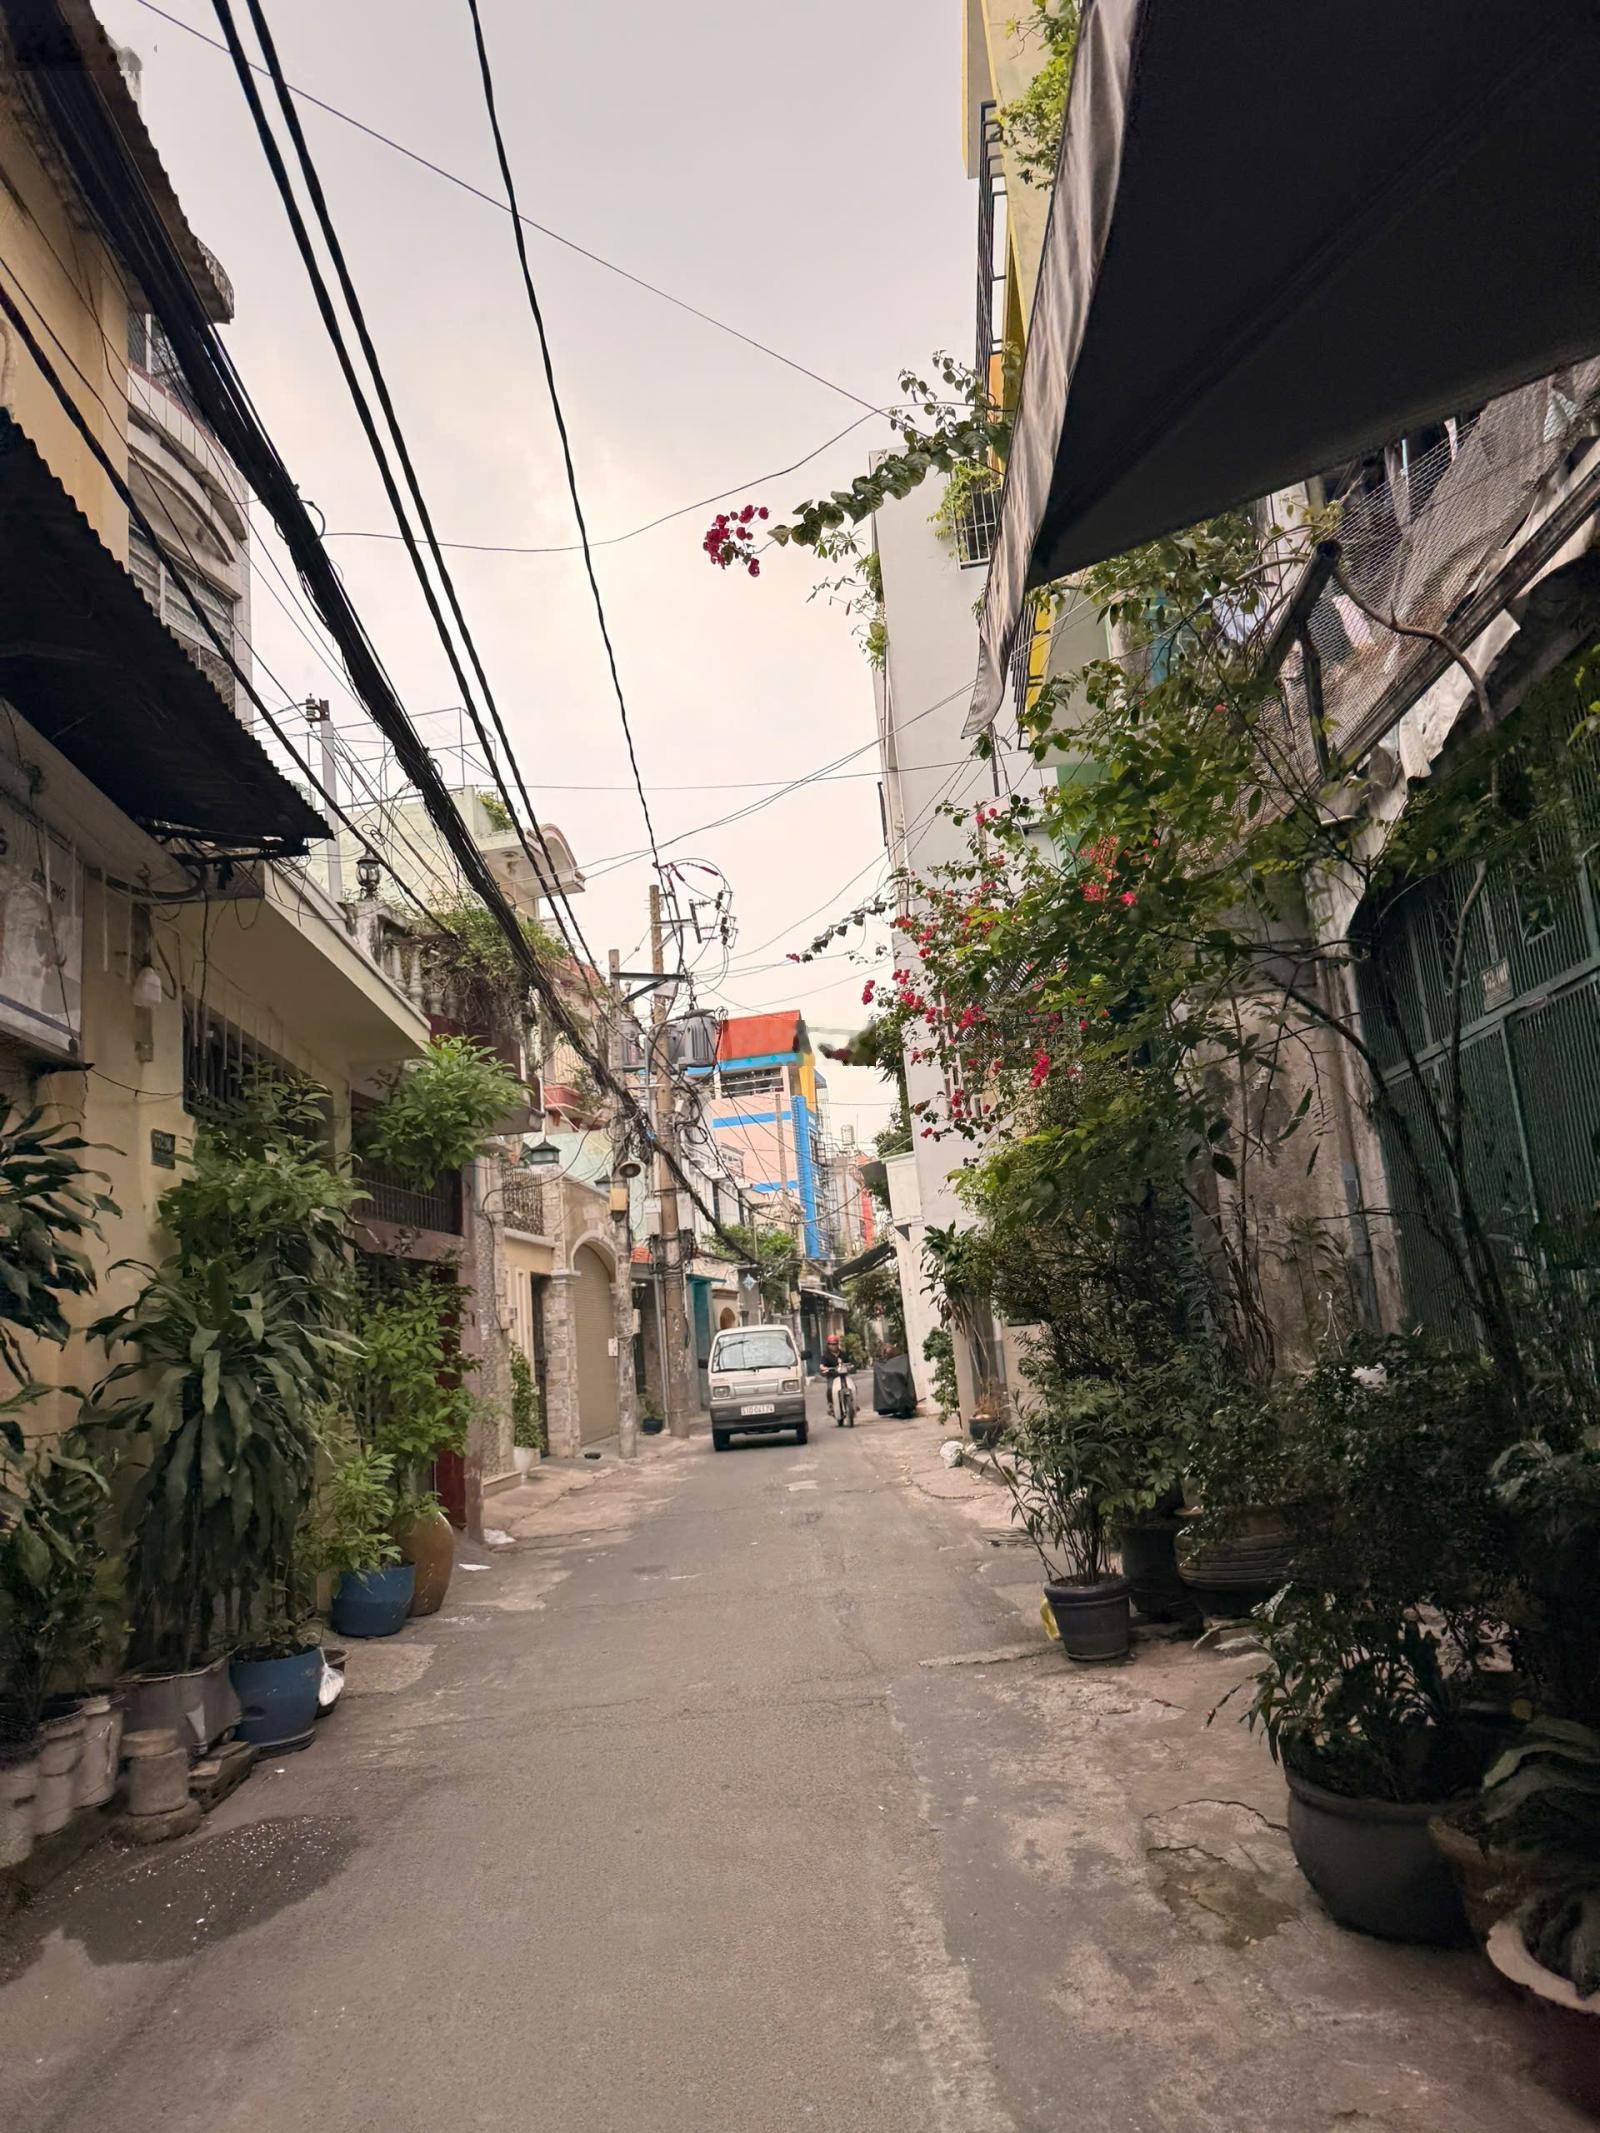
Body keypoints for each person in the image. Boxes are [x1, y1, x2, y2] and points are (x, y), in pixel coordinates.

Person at [821, 1338, 854, 1426]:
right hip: (833, 1377)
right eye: (831, 1344)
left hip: (844, 1375)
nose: (833, 1346)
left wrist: (850, 1366)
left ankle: (854, 1403)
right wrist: (826, 1368)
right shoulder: (826, 1356)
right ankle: (831, 1405)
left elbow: (849, 1363)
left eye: (835, 1344)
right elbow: (822, 1366)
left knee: (853, 1386)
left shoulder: (843, 1354)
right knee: (830, 1388)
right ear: (828, 1345)